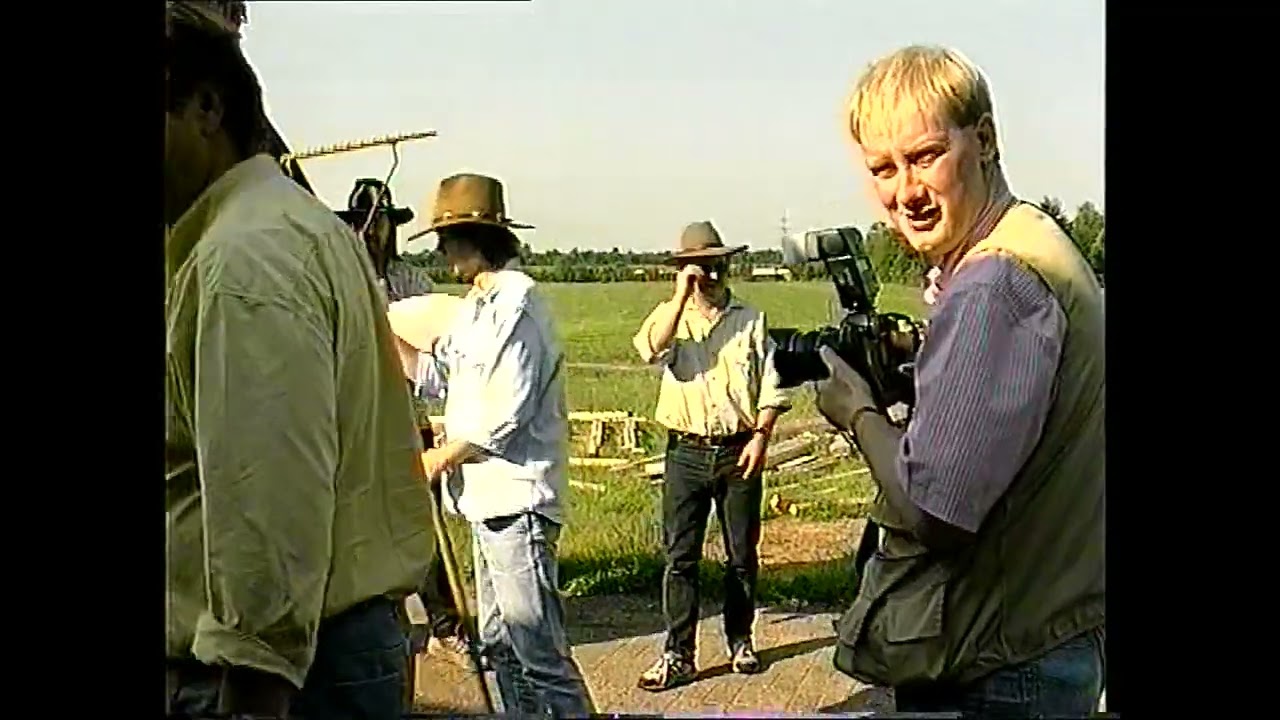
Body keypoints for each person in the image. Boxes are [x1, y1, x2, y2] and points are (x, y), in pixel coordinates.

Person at [816, 45, 1105, 717]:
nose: (905, 193)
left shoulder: (994, 283)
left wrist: (857, 411)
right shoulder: (1034, 239)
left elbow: (934, 508)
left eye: (924, 157)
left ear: (984, 139)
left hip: (1001, 667)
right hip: (1047, 636)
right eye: (883, 169)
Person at [164, 5, 435, 718]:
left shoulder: (242, 259)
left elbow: (266, 505)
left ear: (205, 107)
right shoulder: (290, 226)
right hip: (327, 648)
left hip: (280, 672)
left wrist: (254, 689)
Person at [415, 173, 596, 717]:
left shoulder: (517, 303)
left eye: (451, 240)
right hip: (482, 501)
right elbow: (443, 376)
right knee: (499, 644)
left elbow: (503, 414)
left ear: (480, 238)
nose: (444, 251)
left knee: (537, 649)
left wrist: (437, 458)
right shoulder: (476, 305)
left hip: (517, 500)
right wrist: (381, 336)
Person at [632, 221, 791, 692]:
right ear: (683, 269)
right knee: (680, 557)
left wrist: (762, 436)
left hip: (739, 448)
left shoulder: (750, 318)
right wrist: (681, 296)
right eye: (700, 266)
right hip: (685, 452)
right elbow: (649, 350)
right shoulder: (670, 316)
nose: (711, 274)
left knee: (741, 555)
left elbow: (770, 382)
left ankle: (740, 640)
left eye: (718, 264)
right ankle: (677, 654)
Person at [336, 178, 470, 660]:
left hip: (407, 416)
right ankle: (383, 626)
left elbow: (429, 340)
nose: (374, 235)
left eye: (381, 225)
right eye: (365, 226)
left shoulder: (411, 281)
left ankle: (445, 622)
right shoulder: (341, 275)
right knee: (365, 527)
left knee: (424, 527)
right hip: (356, 423)